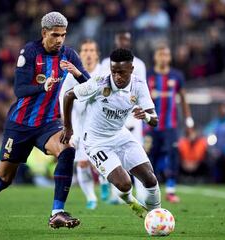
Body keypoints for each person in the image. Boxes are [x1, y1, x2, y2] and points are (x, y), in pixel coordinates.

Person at [0, 12, 90, 230]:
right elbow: (19, 90)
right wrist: (42, 86)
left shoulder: (69, 55)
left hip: (48, 123)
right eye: (55, 35)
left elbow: (90, 85)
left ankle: (57, 212)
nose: (59, 40)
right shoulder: (29, 53)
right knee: (3, 179)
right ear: (44, 33)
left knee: (67, 147)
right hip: (19, 125)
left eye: (63, 35)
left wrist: (78, 74)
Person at [61, 48, 161, 217]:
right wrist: (68, 128)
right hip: (96, 142)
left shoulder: (138, 86)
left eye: (121, 72)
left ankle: (156, 215)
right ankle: (130, 201)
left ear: (131, 69)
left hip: (120, 136)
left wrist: (145, 116)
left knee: (150, 179)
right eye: (114, 72)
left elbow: (154, 120)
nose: (117, 77)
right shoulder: (100, 83)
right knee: (124, 184)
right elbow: (68, 96)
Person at [59, 39, 108, 210]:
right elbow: (63, 96)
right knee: (81, 163)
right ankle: (91, 197)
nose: (88, 53)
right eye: (85, 50)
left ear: (97, 54)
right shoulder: (72, 73)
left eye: (91, 50)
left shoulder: (104, 72)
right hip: (78, 123)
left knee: (98, 161)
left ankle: (103, 180)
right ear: (80, 53)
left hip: (100, 123)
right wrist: (65, 120)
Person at [101, 30, 148, 204]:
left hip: (133, 118)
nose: (123, 42)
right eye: (121, 39)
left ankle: (142, 194)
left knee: (137, 156)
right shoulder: (106, 63)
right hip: (112, 117)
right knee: (114, 156)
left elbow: (141, 91)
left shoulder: (140, 65)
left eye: (126, 39)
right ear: (116, 40)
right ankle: (117, 194)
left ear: (130, 42)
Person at [146, 43, 194, 203]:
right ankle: (150, 190)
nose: (163, 58)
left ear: (170, 57)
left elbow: (184, 99)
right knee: (150, 156)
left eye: (166, 55)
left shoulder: (177, 76)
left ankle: (171, 190)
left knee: (173, 154)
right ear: (155, 57)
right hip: (150, 126)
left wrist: (189, 122)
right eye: (160, 54)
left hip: (170, 125)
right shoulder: (148, 75)